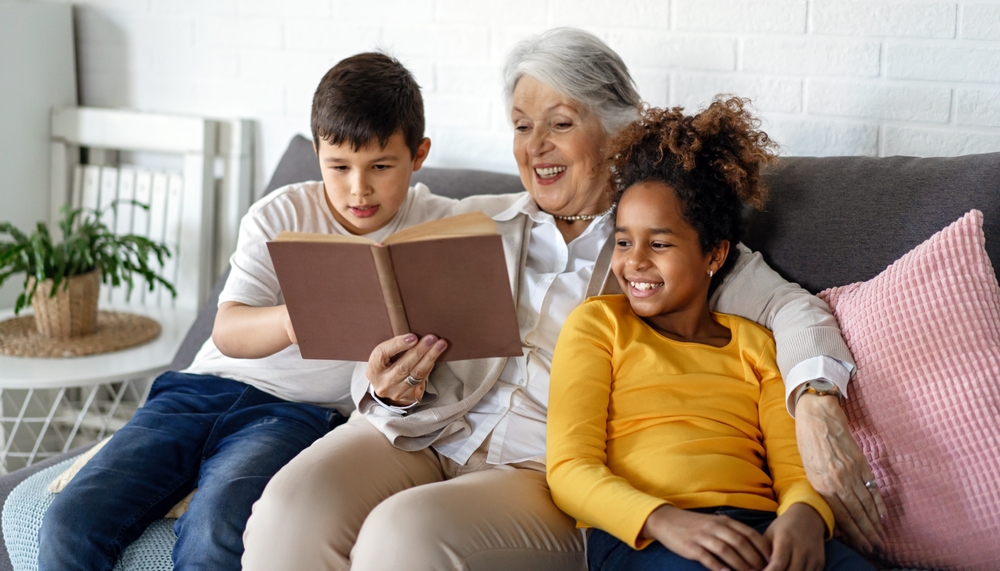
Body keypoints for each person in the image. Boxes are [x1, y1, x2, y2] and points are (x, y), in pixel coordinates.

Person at [241, 28, 884, 571]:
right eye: (522, 126)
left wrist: (818, 403)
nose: (535, 146)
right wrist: (383, 388)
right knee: (286, 513)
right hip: (421, 431)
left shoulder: (659, 244)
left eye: (560, 123)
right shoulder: (473, 220)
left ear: (614, 133)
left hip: (542, 472)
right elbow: (390, 336)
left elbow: (792, 308)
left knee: (403, 538)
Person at [37, 52, 457, 571]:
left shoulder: (443, 226)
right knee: (68, 522)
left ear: (419, 155)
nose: (358, 188)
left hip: (295, 416)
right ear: (317, 154)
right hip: (198, 391)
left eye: (381, 167)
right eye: (338, 167)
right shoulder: (281, 212)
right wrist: (295, 317)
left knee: (216, 530)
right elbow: (229, 330)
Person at [546, 99, 873, 571]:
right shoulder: (598, 326)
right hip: (645, 535)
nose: (634, 261)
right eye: (623, 241)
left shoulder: (756, 344)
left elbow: (792, 465)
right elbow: (569, 471)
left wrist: (805, 514)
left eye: (658, 244)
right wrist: (665, 521)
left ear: (714, 256)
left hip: (756, 528)